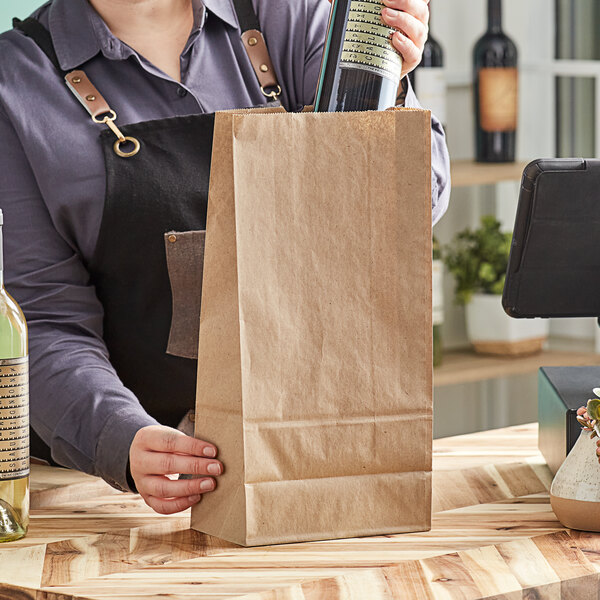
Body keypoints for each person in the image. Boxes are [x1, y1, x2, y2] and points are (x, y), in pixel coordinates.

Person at [0, 0, 450, 515]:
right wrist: (121, 438)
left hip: (317, 450)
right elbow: (41, 319)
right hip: (129, 496)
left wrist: (386, 81)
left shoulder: (288, 17)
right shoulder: (14, 83)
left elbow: (400, 214)